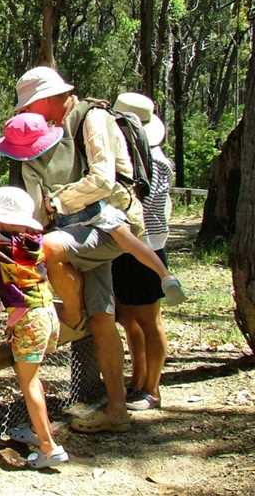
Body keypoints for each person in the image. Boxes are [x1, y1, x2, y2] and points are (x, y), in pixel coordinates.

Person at [8, 65, 136, 434]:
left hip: (110, 226)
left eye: (29, 106)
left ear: (47, 100)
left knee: (47, 251)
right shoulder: (45, 134)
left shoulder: (91, 118)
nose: (25, 113)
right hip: (81, 228)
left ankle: (70, 322)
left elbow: (103, 178)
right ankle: (116, 408)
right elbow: (36, 204)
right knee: (103, 317)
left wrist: (57, 203)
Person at [0, 112, 184, 324]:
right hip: (97, 207)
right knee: (131, 241)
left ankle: (74, 313)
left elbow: (39, 208)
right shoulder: (70, 146)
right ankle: (164, 274)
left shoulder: (31, 166)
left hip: (69, 216)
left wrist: (47, 212)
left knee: (54, 252)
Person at [0, 186, 68, 469]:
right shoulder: (32, 239)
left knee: (29, 383)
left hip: (30, 319)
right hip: (46, 314)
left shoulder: (6, 242)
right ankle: (41, 431)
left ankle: (49, 446)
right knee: (33, 377)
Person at [111, 92, 178, 411]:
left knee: (149, 320)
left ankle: (152, 387)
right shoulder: (120, 158)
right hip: (121, 248)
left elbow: (150, 211)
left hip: (147, 247)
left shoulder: (157, 163)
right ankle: (137, 379)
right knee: (127, 318)